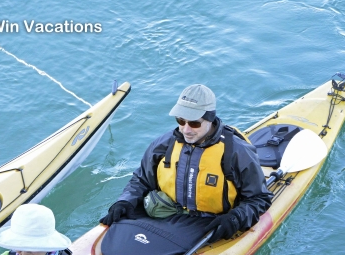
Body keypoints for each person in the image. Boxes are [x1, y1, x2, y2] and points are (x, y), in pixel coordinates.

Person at [99, 84, 271, 242]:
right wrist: (125, 201)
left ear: (210, 118)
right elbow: (141, 180)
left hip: (212, 224)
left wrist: (235, 218)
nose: (186, 130)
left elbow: (259, 199)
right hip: (168, 215)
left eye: (194, 123)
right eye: (181, 121)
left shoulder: (238, 152)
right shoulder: (163, 145)